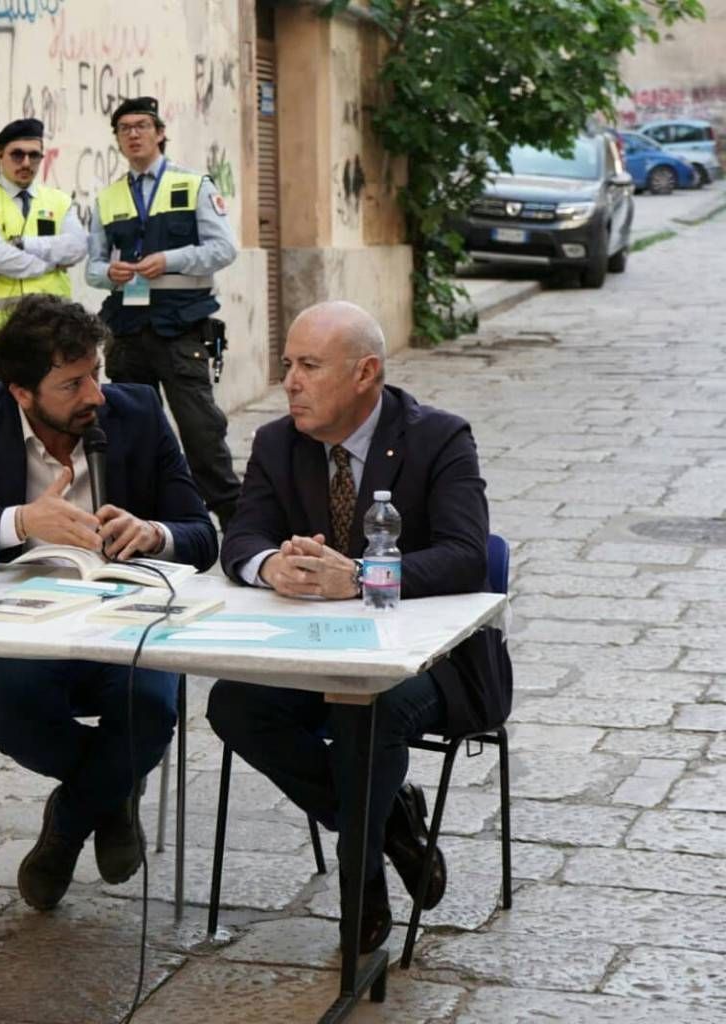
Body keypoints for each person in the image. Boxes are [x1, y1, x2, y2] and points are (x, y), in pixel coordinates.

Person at [206, 301, 513, 954]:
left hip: (433, 660)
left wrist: (364, 578)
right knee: (233, 704)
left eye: (309, 366)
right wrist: (270, 568)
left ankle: (362, 877)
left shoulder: (439, 438)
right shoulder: (276, 442)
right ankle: (388, 824)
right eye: (288, 364)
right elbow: (241, 537)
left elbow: (467, 554)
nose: (289, 381)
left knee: (363, 712)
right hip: (315, 648)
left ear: (366, 373)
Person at [0, 295, 217, 910]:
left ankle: (68, 824)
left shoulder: (140, 411)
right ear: (22, 392)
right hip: (13, 633)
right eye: (71, 384)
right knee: (17, 705)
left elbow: (202, 534)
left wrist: (156, 533)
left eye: (96, 373)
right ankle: (113, 795)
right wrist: (20, 521)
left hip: (123, 627)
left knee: (153, 705)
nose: (94, 394)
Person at [86, 96, 241, 531]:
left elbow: (223, 249)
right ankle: (137, 522)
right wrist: (109, 273)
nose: (133, 134)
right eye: (124, 128)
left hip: (180, 327)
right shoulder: (108, 197)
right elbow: (93, 267)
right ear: (117, 139)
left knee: (200, 431)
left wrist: (169, 260)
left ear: (159, 132)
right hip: (128, 331)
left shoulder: (194, 185)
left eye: (141, 126)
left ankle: (238, 521)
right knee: (131, 432)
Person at [0, 118, 87, 386]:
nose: (26, 162)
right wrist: (49, 263)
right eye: (17, 154)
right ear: (0, 155)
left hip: (52, 337)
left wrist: (26, 244)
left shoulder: (59, 202)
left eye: (34, 155)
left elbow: (77, 247)